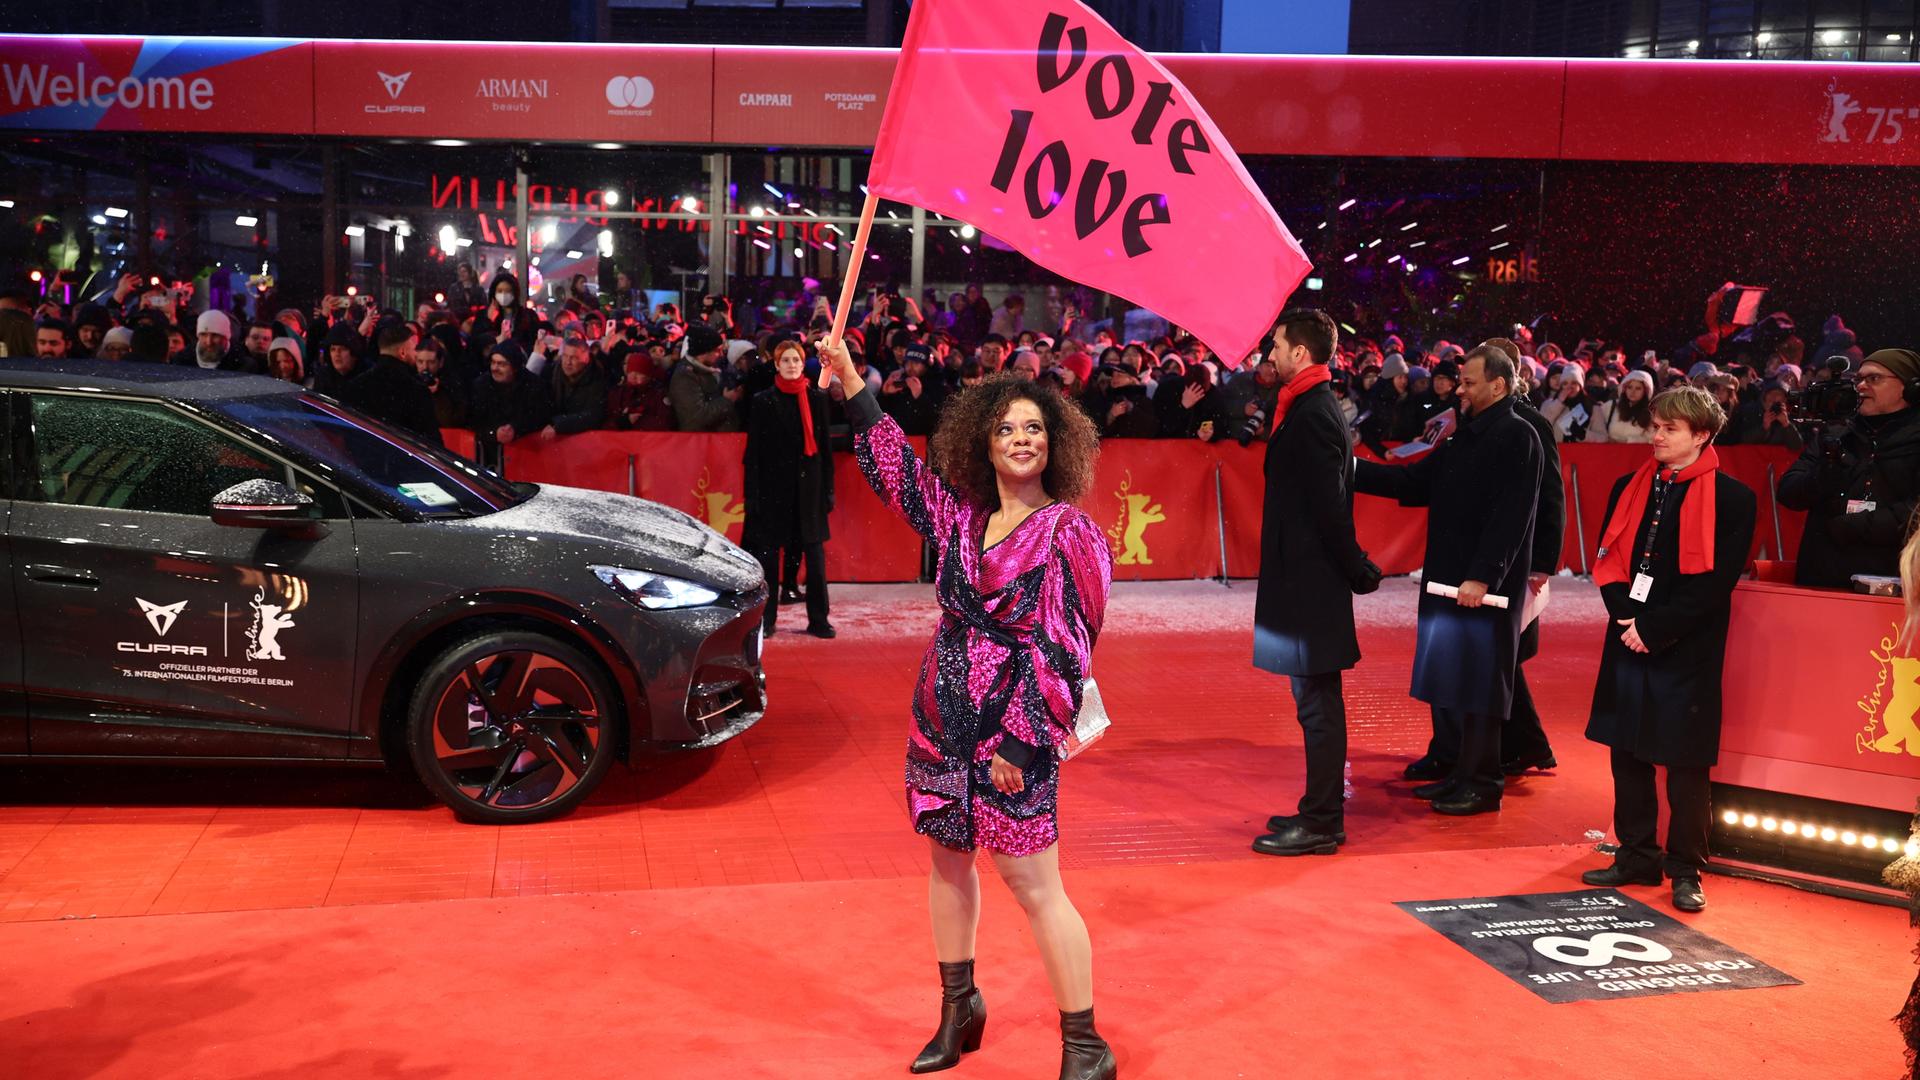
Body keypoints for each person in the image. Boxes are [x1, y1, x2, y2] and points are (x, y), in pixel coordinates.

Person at [819, 336, 1116, 1080]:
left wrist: (1022, 742)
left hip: (1014, 733)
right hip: (939, 720)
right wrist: (852, 381)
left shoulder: (1070, 533)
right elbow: (895, 472)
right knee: (948, 863)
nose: (1020, 439)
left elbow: (1068, 645)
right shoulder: (958, 515)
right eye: (1006, 428)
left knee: (1035, 883)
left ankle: (1085, 1043)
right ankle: (959, 1008)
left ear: (1056, 444)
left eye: (1034, 428)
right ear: (982, 442)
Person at [1582, 387, 1757, 913]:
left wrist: (1654, 629)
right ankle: (1636, 855)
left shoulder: (1734, 498)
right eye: (1655, 425)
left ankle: (1685, 869)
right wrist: (1625, 616)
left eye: (1669, 428)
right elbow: (1609, 557)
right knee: (1627, 752)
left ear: (1702, 434)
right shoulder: (1627, 486)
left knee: (1685, 764)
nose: (1655, 435)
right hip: (1628, 633)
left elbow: (1714, 584)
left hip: (1687, 645)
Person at [1355, 345, 1542, 815]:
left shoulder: (1518, 436)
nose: (1459, 389)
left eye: (1469, 382)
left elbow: (1512, 518)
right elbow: (1414, 483)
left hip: (1481, 589)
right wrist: (1348, 467)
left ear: (1498, 385)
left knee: (1481, 685)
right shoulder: (1467, 436)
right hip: (1448, 581)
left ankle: (1483, 782)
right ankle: (1461, 771)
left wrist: (1483, 577)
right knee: (1457, 680)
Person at [1250, 310, 1383, 857]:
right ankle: (1318, 810)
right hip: (1299, 581)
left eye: (1277, 345)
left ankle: (1325, 819)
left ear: (1300, 353)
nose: (1271, 355)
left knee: (1319, 706)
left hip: (1312, 585)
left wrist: (1357, 569)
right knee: (1313, 703)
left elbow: (1331, 508)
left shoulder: (1313, 413)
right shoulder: (1304, 407)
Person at [1778, 348, 1920, 588]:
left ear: (1911, 387)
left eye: (1874, 379)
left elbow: (1915, 512)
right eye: (1859, 379)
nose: (1861, 386)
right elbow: (1788, 492)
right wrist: (1824, 474)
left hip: (1892, 586)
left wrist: (1855, 526)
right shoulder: (1837, 432)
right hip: (1821, 578)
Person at [743, 341, 836, 639]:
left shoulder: (816, 398)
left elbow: (825, 450)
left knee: (816, 562)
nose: (792, 365)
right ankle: (767, 619)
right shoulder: (762, 401)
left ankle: (819, 619)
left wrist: (828, 491)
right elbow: (754, 454)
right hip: (774, 494)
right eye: (786, 361)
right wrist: (752, 496)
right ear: (777, 365)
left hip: (809, 493)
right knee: (769, 560)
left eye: (796, 359)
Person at [341, 322, 446, 448]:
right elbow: (432, 442)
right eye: (413, 348)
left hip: (362, 462)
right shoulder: (416, 390)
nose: (416, 354)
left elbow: (349, 436)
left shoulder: (355, 386)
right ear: (403, 352)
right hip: (405, 462)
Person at [469, 340, 551, 472]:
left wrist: (516, 429)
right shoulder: (481, 385)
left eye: (501, 364)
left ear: (515, 367)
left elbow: (540, 416)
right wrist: (493, 433)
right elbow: (473, 418)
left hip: (526, 458)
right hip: (488, 457)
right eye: (493, 362)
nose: (495, 368)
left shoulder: (534, 385)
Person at [669, 323, 742, 432]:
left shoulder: (711, 369)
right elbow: (696, 418)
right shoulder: (685, 377)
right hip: (703, 443)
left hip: (718, 441)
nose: (721, 354)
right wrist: (727, 400)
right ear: (703, 352)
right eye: (717, 350)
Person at [541, 334, 609, 439]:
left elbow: (593, 416)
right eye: (565, 356)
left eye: (574, 358)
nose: (568, 362)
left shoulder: (597, 379)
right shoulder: (550, 372)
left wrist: (560, 425)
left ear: (586, 359)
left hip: (582, 441)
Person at [1587, 370, 1656, 443]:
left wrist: (1626, 441)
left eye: (1638, 388)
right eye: (1629, 387)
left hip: (1635, 453)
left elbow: (1651, 439)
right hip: (1608, 452)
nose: (1633, 392)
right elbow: (1595, 430)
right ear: (1624, 389)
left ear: (1645, 391)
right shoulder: (1610, 406)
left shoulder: (1651, 413)